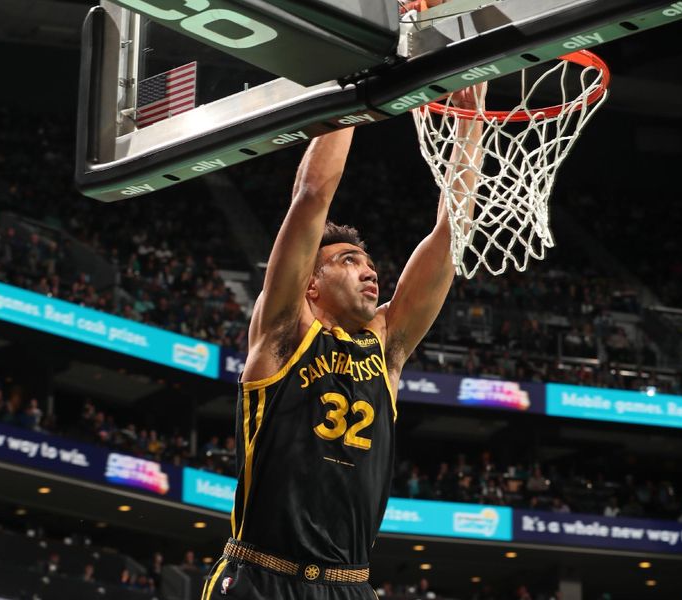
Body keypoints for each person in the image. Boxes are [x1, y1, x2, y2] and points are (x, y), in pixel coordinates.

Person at [202, 80, 486, 600]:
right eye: (348, 261)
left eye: (372, 265)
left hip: (350, 586)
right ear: (310, 283)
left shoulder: (388, 349)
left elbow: (451, 235)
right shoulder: (284, 333)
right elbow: (313, 195)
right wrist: (358, 88)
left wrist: (470, 120)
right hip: (262, 576)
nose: (369, 273)